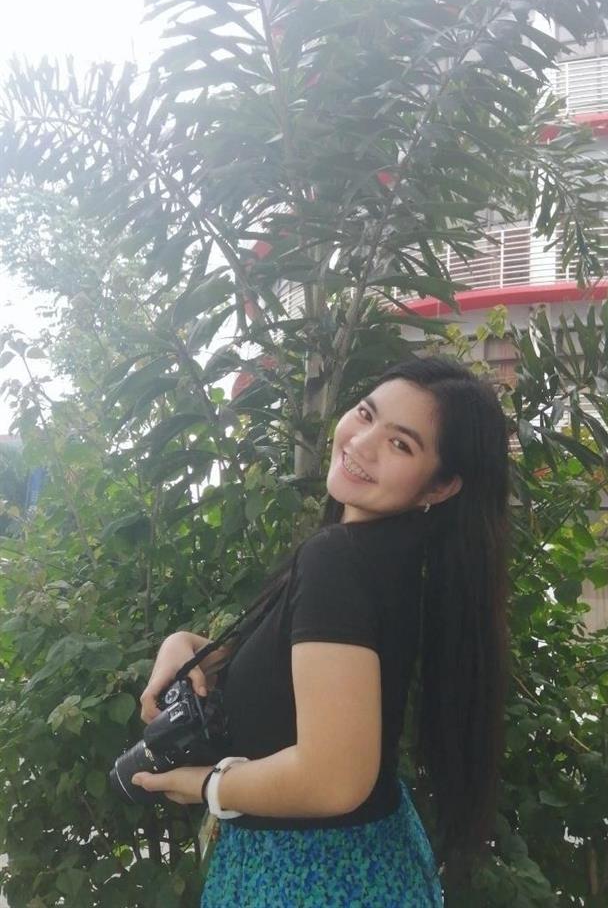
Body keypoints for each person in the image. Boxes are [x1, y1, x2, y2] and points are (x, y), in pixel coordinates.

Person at [131, 355, 511, 906]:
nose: (362, 443)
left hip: (303, 876)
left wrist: (207, 784)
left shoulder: (338, 559)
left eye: (400, 444)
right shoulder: (399, 561)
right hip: (371, 859)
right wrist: (187, 648)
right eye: (366, 414)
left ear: (440, 486)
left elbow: (334, 778)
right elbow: (301, 678)